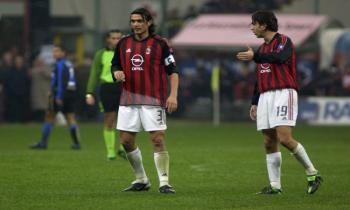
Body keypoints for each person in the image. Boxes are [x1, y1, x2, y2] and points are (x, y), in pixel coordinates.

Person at [236, 11, 322, 194]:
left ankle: (312, 172)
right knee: (268, 141)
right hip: (265, 96)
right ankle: (275, 186)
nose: (251, 27)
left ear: (264, 25)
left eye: (254, 24)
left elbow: (279, 58)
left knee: (284, 138)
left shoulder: (284, 41)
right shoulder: (261, 49)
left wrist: (255, 57)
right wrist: (254, 101)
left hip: (284, 92)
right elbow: (260, 77)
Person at [111, 8, 179, 194]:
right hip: (128, 99)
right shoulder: (123, 43)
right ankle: (141, 179)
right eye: (133, 21)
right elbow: (115, 63)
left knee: (157, 139)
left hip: (153, 99)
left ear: (148, 22)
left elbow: (172, 71)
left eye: (139, 21)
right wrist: (116, 72)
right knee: (125, 141)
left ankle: (164, 182)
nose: (135, 24)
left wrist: (172, 95)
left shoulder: (160, 44)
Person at [31, 45, 81, 150]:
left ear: (64, 53)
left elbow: (60, 82)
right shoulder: (69, 64)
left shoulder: (60, 64)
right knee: (70, 118)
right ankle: (77, 144)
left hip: (60, 94)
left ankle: (43, 143)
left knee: (49, 117)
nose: (54, 54)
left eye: (57, 51)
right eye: (54, 51)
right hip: (70, 93)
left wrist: (58, 96)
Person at [86, 29, 126, 160]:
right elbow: (94, 73)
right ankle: (110, 152)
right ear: (108, 40)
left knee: (126, 120)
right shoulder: (100, 54)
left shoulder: (126, 53)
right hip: (107, 88)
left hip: (123, 87)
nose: (116, 40)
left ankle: (122, 148)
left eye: (119, 38)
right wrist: (89, 92)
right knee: (109, 119)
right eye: (113, 38)